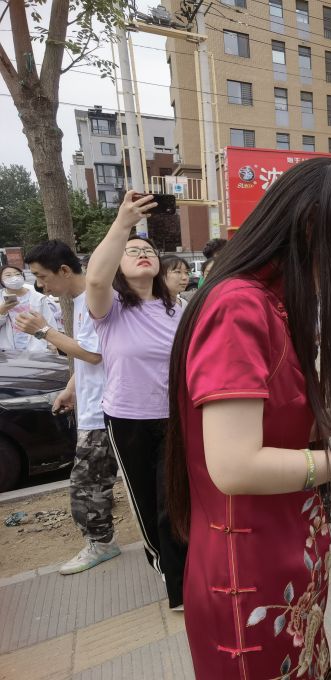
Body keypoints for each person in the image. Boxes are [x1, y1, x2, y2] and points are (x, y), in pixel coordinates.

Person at [165, 159, 331, 679]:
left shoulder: (275, 306)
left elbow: (284, 414)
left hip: (286, 562)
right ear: (311, 226)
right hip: (248, 577)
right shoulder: (240, 308)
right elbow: (233, 465)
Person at [86, 193, 187, 610]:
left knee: (174, 501)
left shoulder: (177, 307)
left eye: (148, 250)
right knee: (146, 501)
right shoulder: (108, 308)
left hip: (176, 419)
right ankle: (163, 563)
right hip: (128, 419)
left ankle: (180, 585)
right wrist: (123, 225)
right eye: (132, 251)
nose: (142, 253)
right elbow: (94, 279)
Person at [21, 240, 120, 574]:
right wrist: (70, 388)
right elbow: (89, 358)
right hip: (94, 406)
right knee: (92, 482)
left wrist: (43, 331)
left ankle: (101, 544)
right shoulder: (80, 302)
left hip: (106, 410)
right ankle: (102, 542)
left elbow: (94, 354)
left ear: (64, 270)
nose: (39, 285)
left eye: (42, 276)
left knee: (86, 485)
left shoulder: (95, 301)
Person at [0, 264, 60, 352]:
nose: (14, 277)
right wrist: (2, 310)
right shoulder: (1, 298)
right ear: (1, 280)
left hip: (37, 350)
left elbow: (49, 322)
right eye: (8, 275)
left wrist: (50, 343)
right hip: (9, 351)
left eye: (17, 274)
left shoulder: (38, 298)